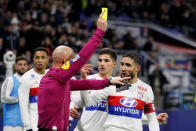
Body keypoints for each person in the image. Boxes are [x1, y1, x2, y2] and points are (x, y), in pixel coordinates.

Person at [37, 13, 130, 131]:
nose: (73, 63)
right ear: (65, 61)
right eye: (71, 60)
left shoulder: (59, 80)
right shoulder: (57, 76)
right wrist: (99, 33)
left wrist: (109, 81)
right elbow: (82, 58)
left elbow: (84, 84)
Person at [70, 49, 168, 131]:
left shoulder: (140, 88)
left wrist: (153, 119)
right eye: (100, 60)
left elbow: (128, 112)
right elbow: (83, 101)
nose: (102, 64)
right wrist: (83, 82)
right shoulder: (106, 83)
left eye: (128, 65)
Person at [19, 47, 49, 131]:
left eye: (43, 57)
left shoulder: (51, 75)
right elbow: (23, 104)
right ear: (33, 60)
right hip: (34, 125)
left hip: (50, 124)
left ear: (47, 59)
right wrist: (27, 126)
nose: (40, 60)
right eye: (37, 57)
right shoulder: (26, 77)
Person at [1, 56, 29, 131]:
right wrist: (20, 99)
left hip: (27, 124)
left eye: (25, 64)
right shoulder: (10, 80)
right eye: (20, 64)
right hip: (11, 124)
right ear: (15, 66)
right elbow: (3, 98)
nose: (22, 67)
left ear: (28, 67)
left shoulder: (30, 81)